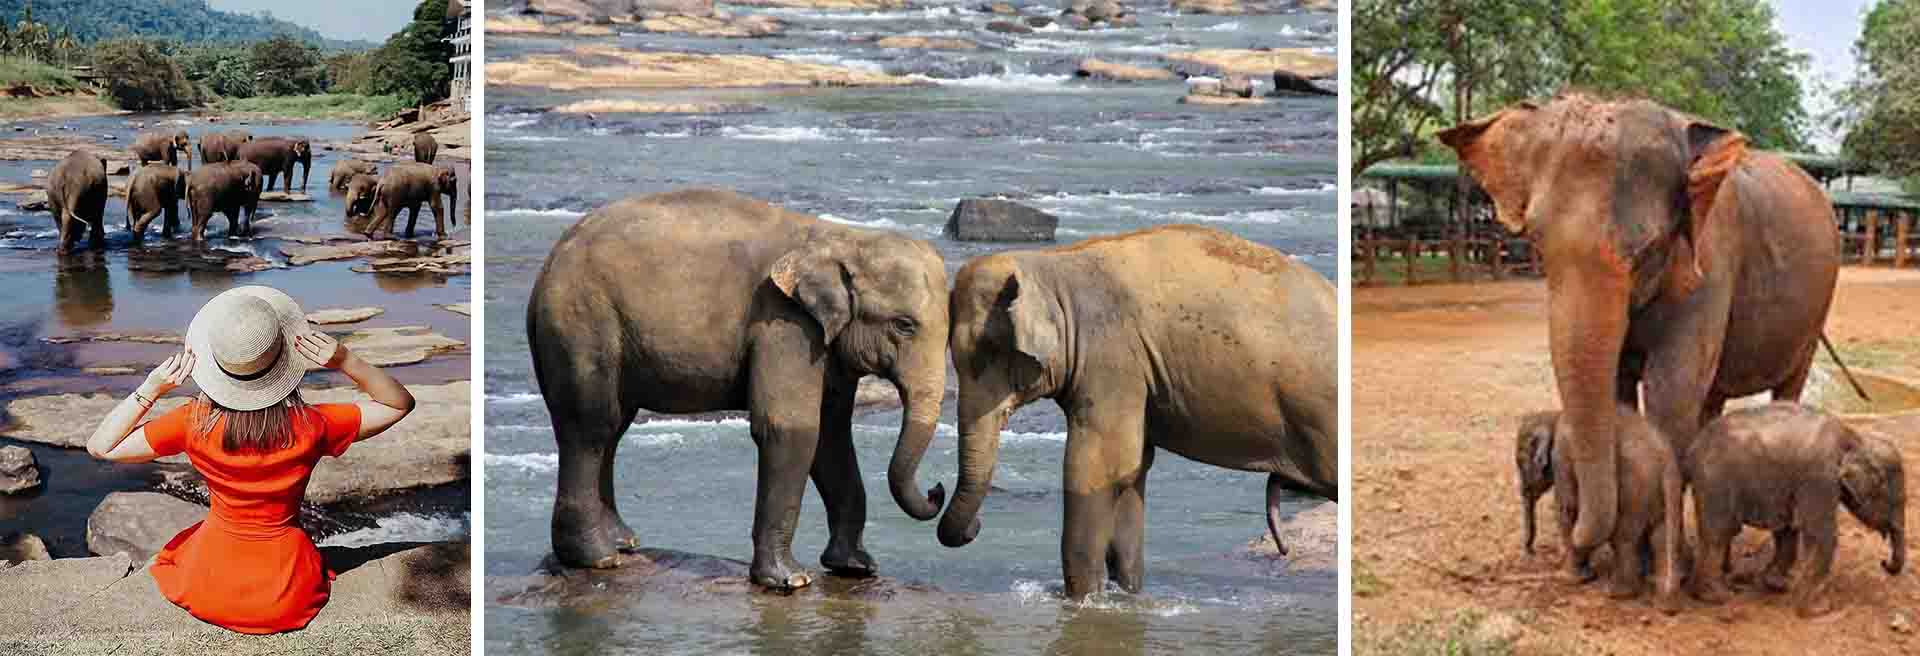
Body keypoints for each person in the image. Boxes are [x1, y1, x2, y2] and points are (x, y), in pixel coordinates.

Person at [85, 285, 416, 634]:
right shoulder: (313, 425)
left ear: (215, 365)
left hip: (208, 582)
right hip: (286, 589)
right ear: (286, 358)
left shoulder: (191, 422)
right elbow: (398, 404)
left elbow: (101, 446)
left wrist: (151, 389)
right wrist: (346, 360)